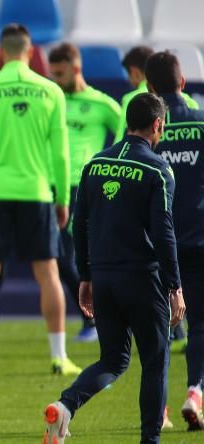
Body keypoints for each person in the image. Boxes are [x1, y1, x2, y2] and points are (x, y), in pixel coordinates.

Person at [43, 92, 185, 444]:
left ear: (126, 122)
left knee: (113, 360)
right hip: (142, 277)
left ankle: (65, 406)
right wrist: (175, 285)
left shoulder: (94, 164)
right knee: (154, 361)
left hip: (103, 277)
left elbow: (79, 225)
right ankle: (149, 440)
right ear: (158, 124)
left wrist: (85, 276)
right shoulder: (157, 169)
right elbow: (163, 232)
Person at [0, 24, 81, 376]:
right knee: (49, 274)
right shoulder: (51, 91)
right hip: (37, 192)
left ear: (1, 52)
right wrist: (61, 197)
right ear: (30, 52)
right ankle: (59, 357)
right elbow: (60, 152)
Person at [46, 42, 123, 342]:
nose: (55, 79)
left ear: (76, 69)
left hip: (86, 187)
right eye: (52, 74)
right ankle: (92, 318)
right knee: (60, 255)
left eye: (60, 73)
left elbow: (128, 136)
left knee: (76, 254)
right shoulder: (52, 100)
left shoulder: (102, 104)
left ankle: (96, 319)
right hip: (53, 185)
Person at [143, 51, 204, 431]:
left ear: (150, 87)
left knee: (159, 328)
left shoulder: (145, 130)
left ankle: (159, 410)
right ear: (183, 83)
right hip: (200, 239)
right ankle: (196, 391)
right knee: (201, 323)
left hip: (157, 244)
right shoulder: (201, 122)